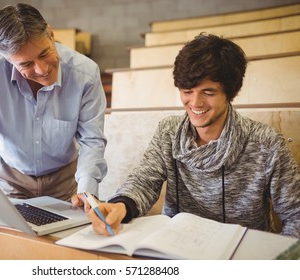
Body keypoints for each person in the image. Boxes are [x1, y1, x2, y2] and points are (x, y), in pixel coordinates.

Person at [88, 33, 300, 238]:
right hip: (177, 250)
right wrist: (120, 206)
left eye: (208, 93)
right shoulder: (168, 132)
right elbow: (144, 181)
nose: (196, 103)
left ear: (231, 93)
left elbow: (296, 215)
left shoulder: (266, 142)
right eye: (187, 91)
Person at [0, 3, 107, 251]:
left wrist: (87, 190)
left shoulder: (85, 72)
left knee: (63, 254)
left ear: (51, 34)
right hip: (8, 178)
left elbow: (91, 140)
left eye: (44, 53)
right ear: (5, 57)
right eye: (25, 64)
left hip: (65, 181)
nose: (42, 70)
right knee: (9, 252)